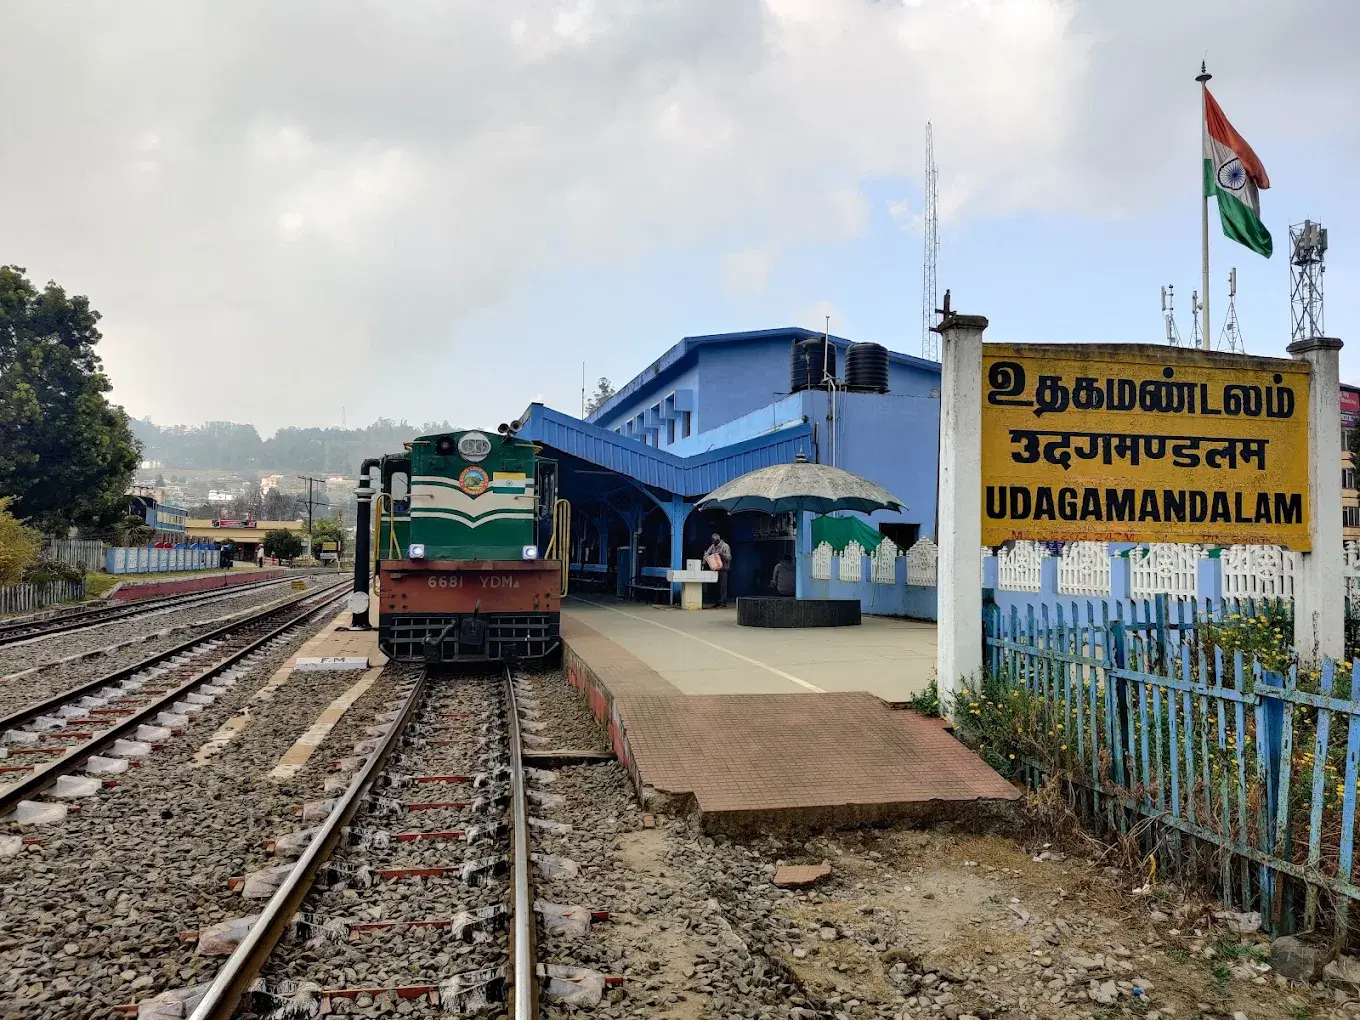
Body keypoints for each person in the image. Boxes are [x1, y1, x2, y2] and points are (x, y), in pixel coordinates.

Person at [704, 532, 732, 607]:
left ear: (717, 540)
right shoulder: (713, 546)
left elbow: (729, 558)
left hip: (723, 569)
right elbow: (707, 553)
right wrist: (705, 559)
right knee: (716, 587)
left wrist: (722, 555)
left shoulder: (725, 546)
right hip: (715, 569)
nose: (712, 542)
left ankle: (723, 602)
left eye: (713, 540)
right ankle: (717, 602)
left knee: (723, 586)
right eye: (712, 541)